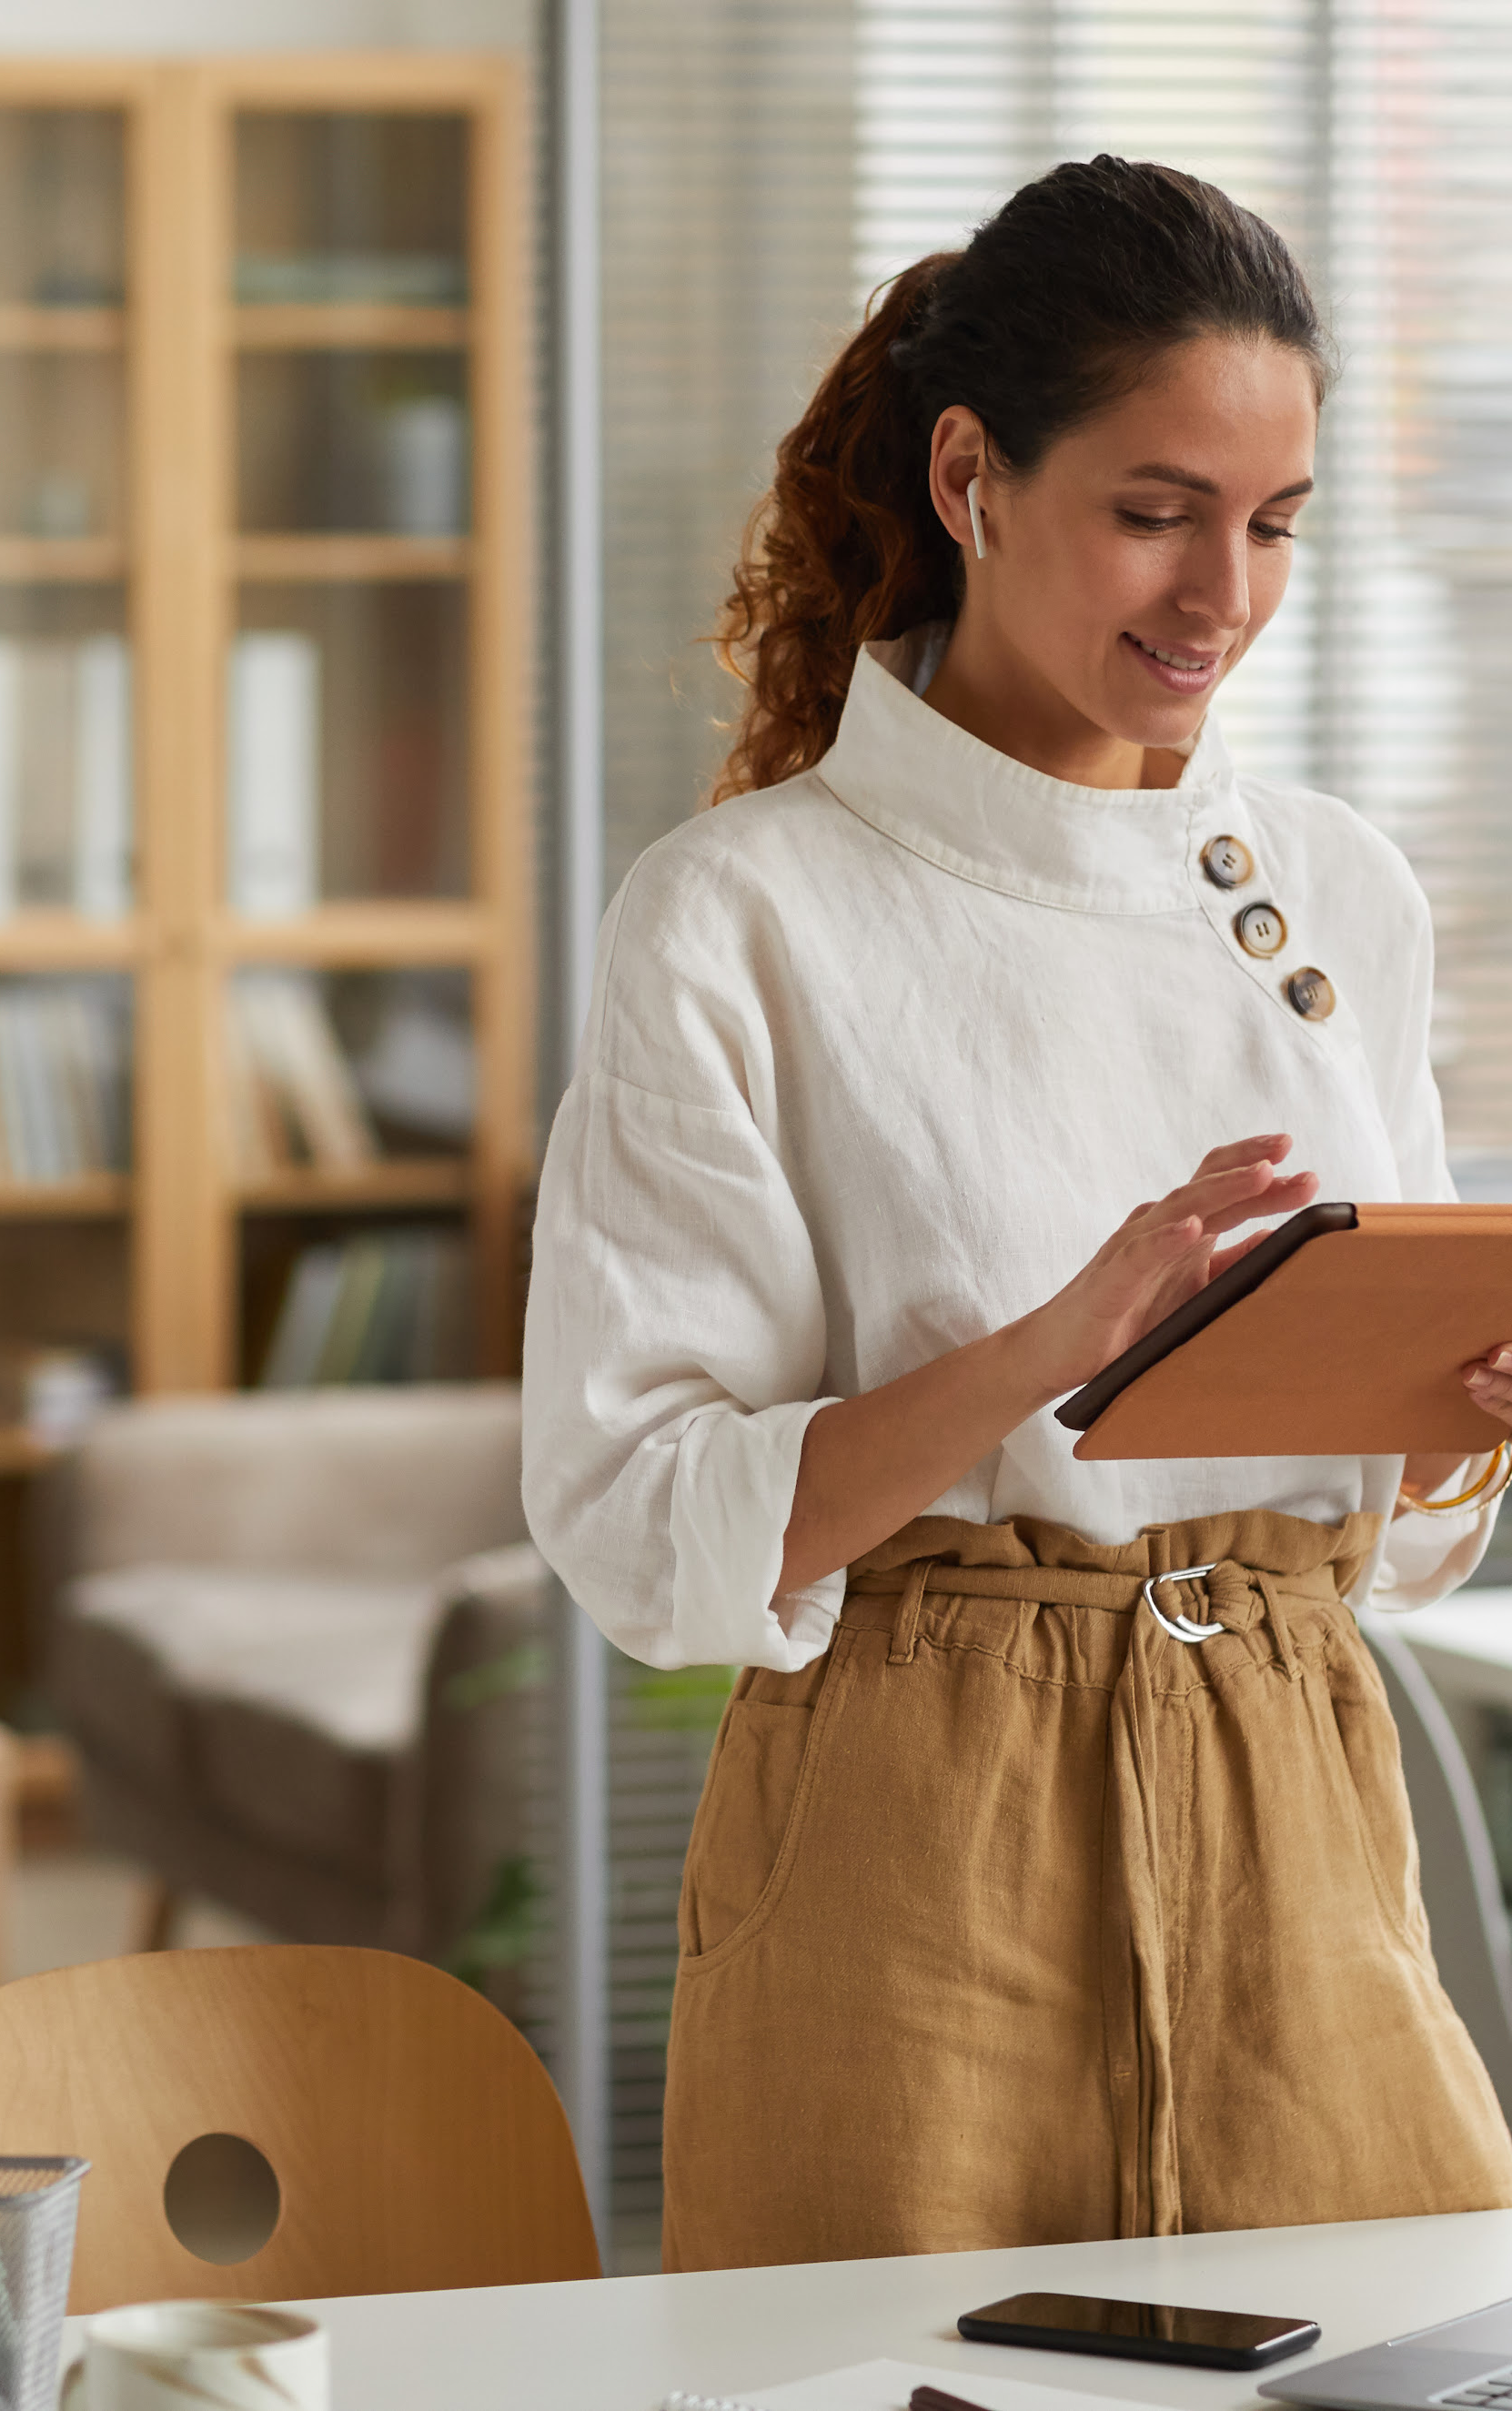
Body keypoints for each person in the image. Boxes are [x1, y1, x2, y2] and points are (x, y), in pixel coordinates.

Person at [522, 156, 1512, 2271]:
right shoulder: (744, 913)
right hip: (909, 1842)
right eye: (1158, 508)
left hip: (1301, 1799)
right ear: (972, 474)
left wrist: (1455, 1406)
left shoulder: (1341, 889)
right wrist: (1060, 1343)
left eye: (1274, 524)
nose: (1222, 593)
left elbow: (1411, 1543)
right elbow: (639, 1517)